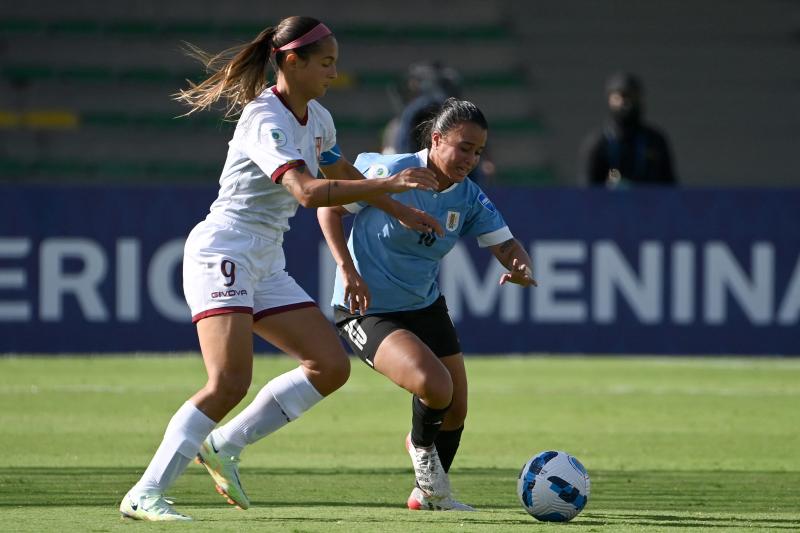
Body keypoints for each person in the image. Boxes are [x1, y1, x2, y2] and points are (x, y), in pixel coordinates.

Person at [118, 16, 444, 521]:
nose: (334, 73)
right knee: (228, 380)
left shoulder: (319, 120)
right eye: (327, 62)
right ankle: (145, 491)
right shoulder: (263, 118)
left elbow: (340, 174)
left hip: (266, 257)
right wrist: (397, 185)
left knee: (329, 366)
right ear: (293, 61)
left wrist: (402, 210)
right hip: (224, 250)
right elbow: (309, 193)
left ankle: (225, 444)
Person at [317, 97, 537, 511]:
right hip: (366, 307)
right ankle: (421, 454)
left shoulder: (468, 196)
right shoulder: (390, 169)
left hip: (424, 305)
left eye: (477, 151)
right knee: (436, 387)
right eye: (463, 147)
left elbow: (505, 244)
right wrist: (346, 269)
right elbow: (329, 208)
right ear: (436, 140)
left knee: (455, 410)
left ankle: (429, 495)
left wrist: (521, 266)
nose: (470, 158)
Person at [579, 72, 677, 187]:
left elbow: (671, 187)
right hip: (610, 204)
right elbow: (586, 192)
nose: (625, 102)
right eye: (618, 97)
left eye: (631, 95)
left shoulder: (655, 141)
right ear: (609, 99)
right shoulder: (598, 143)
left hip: (648, 203)